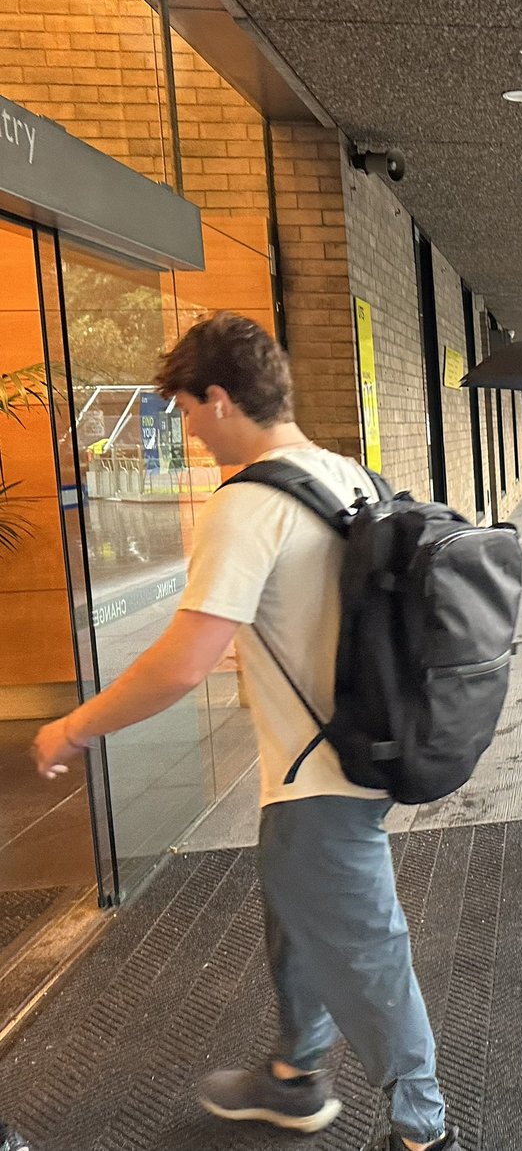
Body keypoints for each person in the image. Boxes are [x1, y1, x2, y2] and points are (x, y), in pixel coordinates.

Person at [31, 314, 459, 1151]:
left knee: (367, 947)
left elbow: (184, 662)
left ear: (220, 399)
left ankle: (424, 1128)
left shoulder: (247, 501)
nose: (185, 431)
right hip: (368, 740)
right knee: (294, 898)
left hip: (321, 770)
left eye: (185, 411)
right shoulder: (347, 473)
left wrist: (76, 728)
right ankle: (297, 1074)